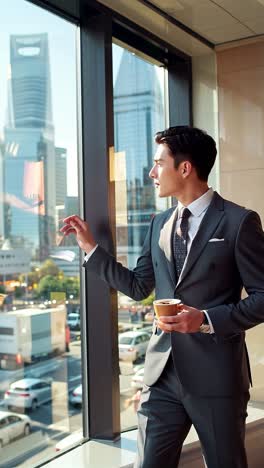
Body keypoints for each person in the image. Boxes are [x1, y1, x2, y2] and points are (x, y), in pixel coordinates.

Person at [60, 126, 264, 468]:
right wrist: (91, 250)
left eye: (158, 163)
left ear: (185, 168)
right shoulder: (159, 223)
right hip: (161, 377)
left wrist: (206, 320)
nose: (152, 173)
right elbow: (140, 287)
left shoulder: (239, 222)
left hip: (217, 377)